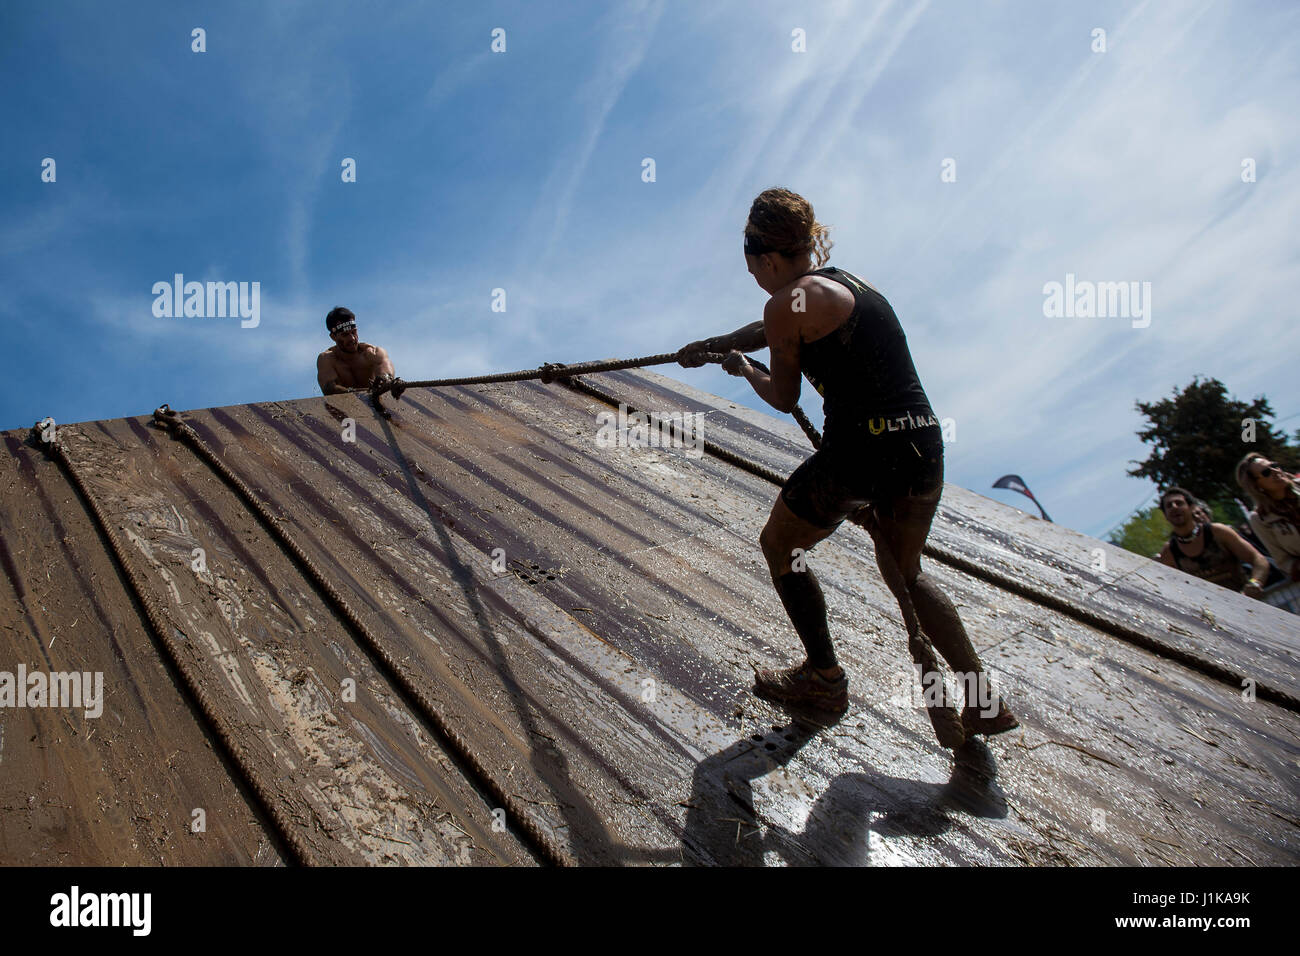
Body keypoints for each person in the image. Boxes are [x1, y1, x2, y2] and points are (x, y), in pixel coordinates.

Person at [677, 187, 1017, 745]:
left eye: (752, 269)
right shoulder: (846, 283)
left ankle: (824, 678)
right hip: (921, 446)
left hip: (862, 454)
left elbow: (784, 396)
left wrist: (742, 369)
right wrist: (717, 343)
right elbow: (780, 326)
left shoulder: (784, 303)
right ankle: (983, 698)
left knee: (780, 544)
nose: (756, 279)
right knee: (908, 572)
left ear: (765, 259)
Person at [1156, 486, 1268, 597]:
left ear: (1191, 507)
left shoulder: (1218, 532)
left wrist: (1255, 582)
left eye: (1179, 503)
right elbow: (1170, 589)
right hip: (1208, 612)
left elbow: (1258, 560)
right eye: (1169, 506)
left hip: (1247, 605)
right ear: (1165, 515)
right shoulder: (1169, 552)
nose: (1174, 507)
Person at [1236, 454, 1300, 583]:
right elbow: (1283, 560)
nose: (1276, 472)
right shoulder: (1260, 518)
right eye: (1267, 472)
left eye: (1274, 466)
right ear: (1257, 485)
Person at [317, 307, 396, 395]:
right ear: (333, 337)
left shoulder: (374, 353)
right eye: (345, 335)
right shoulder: (327, 359)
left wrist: (384, 381)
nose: (352, 338)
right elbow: (329, 389)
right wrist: (363, 394)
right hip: (344, 405)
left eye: (354, 332)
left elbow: (388, 378)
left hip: (377, 403)